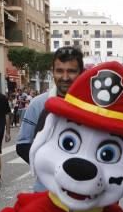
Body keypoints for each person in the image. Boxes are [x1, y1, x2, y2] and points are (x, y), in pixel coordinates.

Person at [16, 46, 84, 192]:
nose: (65, 77)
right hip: (46, 191)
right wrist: (50, 169)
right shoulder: (38, 104)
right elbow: (22, 146)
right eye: (59, 71)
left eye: (71, 71)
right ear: (52, 71)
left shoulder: (91, 105)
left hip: (84, 192)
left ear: (81, 72)